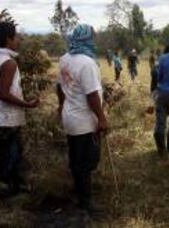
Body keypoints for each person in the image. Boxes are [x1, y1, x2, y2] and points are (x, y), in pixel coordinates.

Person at [56, 24, 109, 214]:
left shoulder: (64, 59)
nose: (94, 40)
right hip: (84, 120)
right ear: (87, 39)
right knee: (87, 161)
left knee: (77, 158)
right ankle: (85, 200)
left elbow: (59, 87)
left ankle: (79, 189)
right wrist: (102, 118)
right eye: (93, 37)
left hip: (70, 118)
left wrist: (61, 106)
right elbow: (92, 95)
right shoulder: (87, 63)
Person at [0, 22, 38, 198]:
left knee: (8, 152)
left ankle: (14, 188)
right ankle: (9, 190)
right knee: (11, 155)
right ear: (8, 39)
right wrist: (27, 104)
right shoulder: (8, 63)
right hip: (6, 117)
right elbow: (4, 94)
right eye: (16, 36)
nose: (18, 40)